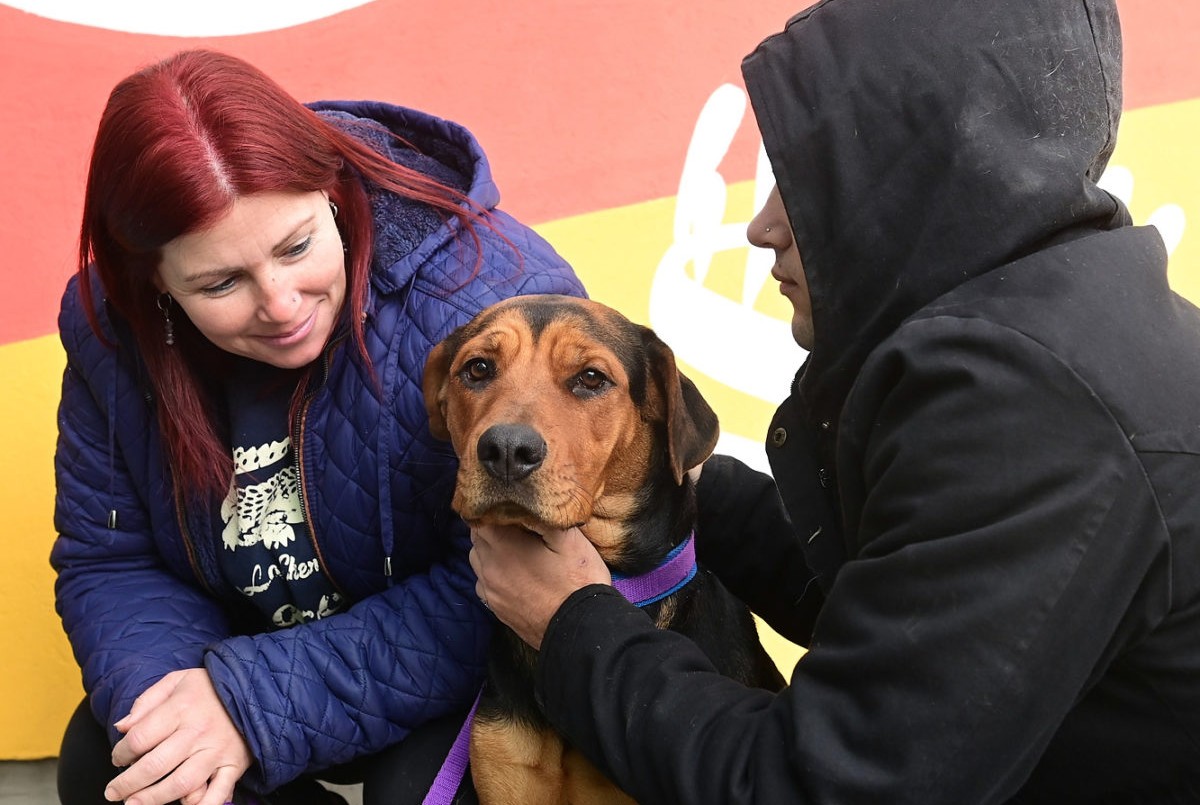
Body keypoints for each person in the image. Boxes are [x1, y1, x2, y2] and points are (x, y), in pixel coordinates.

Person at [468, 0, 1200, 801]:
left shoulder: (1037, 417)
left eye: (805, 184)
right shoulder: (1041, 339)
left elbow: (822, 786)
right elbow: (892, 618)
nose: (761, 226)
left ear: (915, 181)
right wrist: (662, 478)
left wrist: (573, 624)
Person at [51, 49, 584, 805]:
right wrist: (177, 712)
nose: (280, 302)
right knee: (128, 762)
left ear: (333, 191)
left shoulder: (495, 295)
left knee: (422, 788)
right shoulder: (115, 331)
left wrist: (258, 704)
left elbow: (528, 577)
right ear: (154, 284)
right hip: (254, 650)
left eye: (297, 246)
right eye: (220, 283)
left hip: (465, 667)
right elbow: (112, 559)